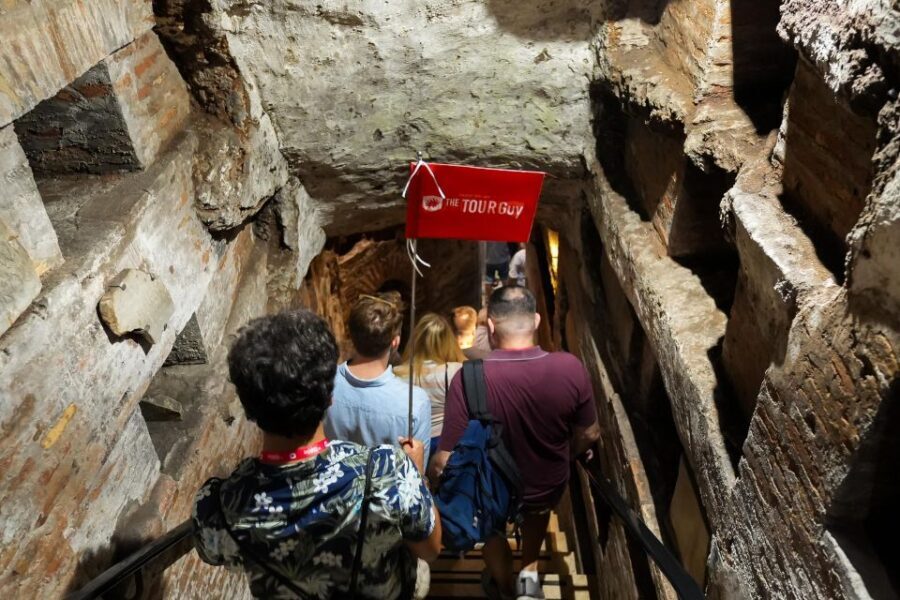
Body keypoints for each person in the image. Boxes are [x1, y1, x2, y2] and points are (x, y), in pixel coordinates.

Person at [192, 310, 442, 599]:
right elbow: (430, 549)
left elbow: (214, 553)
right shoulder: (388, 472)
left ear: (247, 407)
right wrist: (416, 478)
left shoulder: (218, 506)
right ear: (329, 397)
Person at [431, 286, 600, 600]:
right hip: (546, 485)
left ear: (491, 326)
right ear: (536, 320)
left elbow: (445, 459)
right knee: (536, 514)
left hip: (491, 490)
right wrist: (565, 455)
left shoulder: (469, 378)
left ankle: (503, 584)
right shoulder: (570, 368)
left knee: (490, 520)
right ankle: (529, 573)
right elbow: (590, 434)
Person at [325, 292, 432, 462]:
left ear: (351, 334)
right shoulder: (415, 402)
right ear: (395, 342)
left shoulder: (323, 383)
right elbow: (417, 470)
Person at [394, 313, 465, 457]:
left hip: (409, 445)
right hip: (445, 445)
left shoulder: (396, 374)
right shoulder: (455, 371)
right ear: (448, 341)